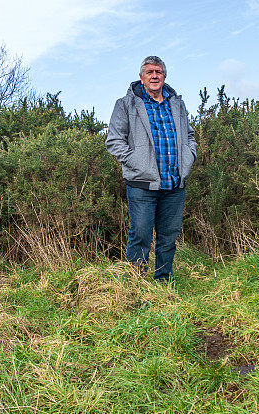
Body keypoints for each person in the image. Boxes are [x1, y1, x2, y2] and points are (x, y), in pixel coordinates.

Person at [105, 56, 196, 283]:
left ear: (164, 76)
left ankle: (163, 284)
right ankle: (134, 285)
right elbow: (114, 141)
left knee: (168, 239)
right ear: (141, 77)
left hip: (174, 183)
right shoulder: (126, 104)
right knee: (141, 237)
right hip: (142, 184)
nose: (154, 75)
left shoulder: (177, 104)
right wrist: (137, 163)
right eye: (149, 72)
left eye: (159, 72)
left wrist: (189, 157)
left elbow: (190, 135)